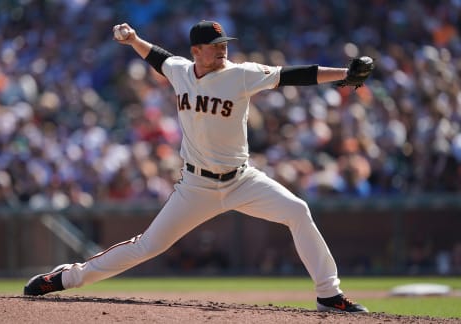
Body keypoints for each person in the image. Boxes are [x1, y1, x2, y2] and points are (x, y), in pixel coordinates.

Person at [24, 20, 369, 313]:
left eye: (224, 44)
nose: (222, 50)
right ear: (196, 51)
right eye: (214, 45)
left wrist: (344, 75)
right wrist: (132, 40)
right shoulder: (179, 70)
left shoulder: (241, 75)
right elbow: (156, 57)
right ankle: (66, 277)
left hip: (242, 180)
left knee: (297, 210)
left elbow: (295, 75)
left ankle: (329, 294)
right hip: (195, 187)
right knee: (147, 246)